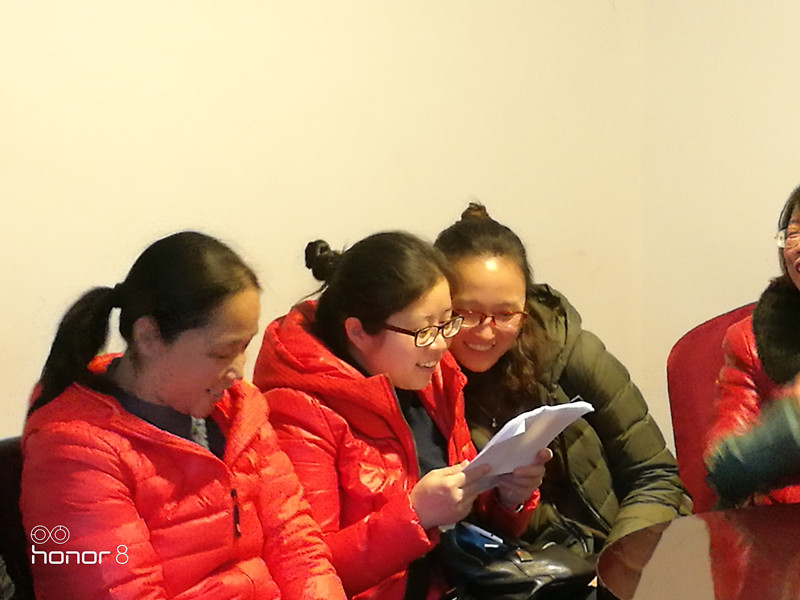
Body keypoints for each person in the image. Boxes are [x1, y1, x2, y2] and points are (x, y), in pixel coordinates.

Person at [21, 231, 346, 600]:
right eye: (222, 353)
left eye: (244, 347)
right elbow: (117, 591)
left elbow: (297, 546)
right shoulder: (75, 452)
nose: (238, 371)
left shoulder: (239, 413)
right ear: (148, 337)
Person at [252, 231, 549, 600]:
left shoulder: (434, 379)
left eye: (447, 322)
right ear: (358, 332)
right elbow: (308, 571)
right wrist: (415, 515)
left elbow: (469, 518)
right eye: (424, 331)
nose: (441, 345)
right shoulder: (299, 410)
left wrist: (509, 497)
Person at [434, 203, 691, 556]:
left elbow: (654, 474)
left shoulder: (570, 351)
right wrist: (511, 501)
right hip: (512, 568)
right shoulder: (423, 380)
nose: (486, 331)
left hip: (617, 548)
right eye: (467, 312)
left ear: (525, 307)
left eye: (506, 313)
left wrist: (617, 566)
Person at [705, 185, 800, 506]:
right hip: (783, 527)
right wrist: (790, 423)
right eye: (794, 232)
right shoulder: (750, 340)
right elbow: (725, 470)